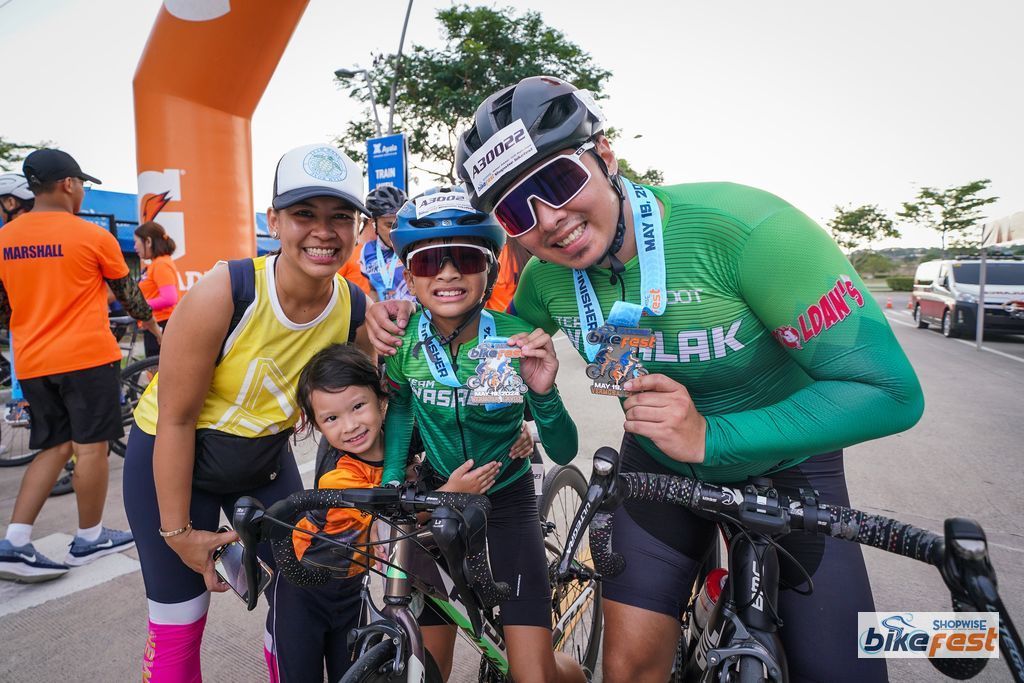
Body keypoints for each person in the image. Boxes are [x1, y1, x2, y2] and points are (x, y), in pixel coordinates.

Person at [366, 76, 925, 683]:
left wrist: (714, 437)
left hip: (790, 465)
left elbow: (891, 392)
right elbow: (472, 339)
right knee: (630, 670)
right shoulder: (545, 283)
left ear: (606, 156)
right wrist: (396, 316)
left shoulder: (748, 230)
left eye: (559, 181)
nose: (549, 220)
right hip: (657, 468)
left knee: (844, 672)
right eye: (516, 210)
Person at [121, 143, 374, 682]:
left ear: (358, 228)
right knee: (179, 621)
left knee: (303, 599)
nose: (323, 231)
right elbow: (175, 421)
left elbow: (372, 408)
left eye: (340, 217)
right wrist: (179, 533)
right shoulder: (225, 292)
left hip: (263, 462)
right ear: (274, 220)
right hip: (174, 458)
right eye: (304, 213)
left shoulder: (355, 307)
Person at [381, 186, 585, 683]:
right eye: (429, 262)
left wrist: (544, 394)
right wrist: (391, 481)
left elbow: (564, 448)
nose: (448, 273)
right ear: (410, 276)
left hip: (507, 500)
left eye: (467, 259)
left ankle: (576, 675)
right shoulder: (403, 343)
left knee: (531, 675)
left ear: (489, 270)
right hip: (437, 497)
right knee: (428, 668)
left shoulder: (516, 337)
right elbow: (402, 409)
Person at [0, 149, 160, 582]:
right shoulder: (90, 235)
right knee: (90, 447)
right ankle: (89, 536)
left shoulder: (5, 238)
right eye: (82, 184)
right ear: (68, 184)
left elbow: (3, 307)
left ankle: (15, 540)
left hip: (32, 361)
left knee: (53, 446)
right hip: (86, 357)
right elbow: (128, 294)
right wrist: (154, 328)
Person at [266, 343, 387, 682]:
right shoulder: (340, 475)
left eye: (358, 406)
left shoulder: (397, 434)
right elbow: (383, 507)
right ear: (317, 425)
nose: (350, 426)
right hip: (302, 590)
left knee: (350, 675)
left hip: (353, 588)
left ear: (381, 398)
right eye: (331, 418)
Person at [359, 184, 415, 303]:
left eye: (399, 224)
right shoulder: (366, 251)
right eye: (389, 225)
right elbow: (373, 289)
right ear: (373, 222)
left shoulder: (414, 247)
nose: (395, 231)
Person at [134, 221, 181, 357]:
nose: (134, 247)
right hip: (154, 324)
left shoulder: (161, 264)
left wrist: (140, 306)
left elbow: (170, 298)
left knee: (158, 368)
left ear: (148, 242)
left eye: (136, 242)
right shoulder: (156, 264)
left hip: (161, 324)